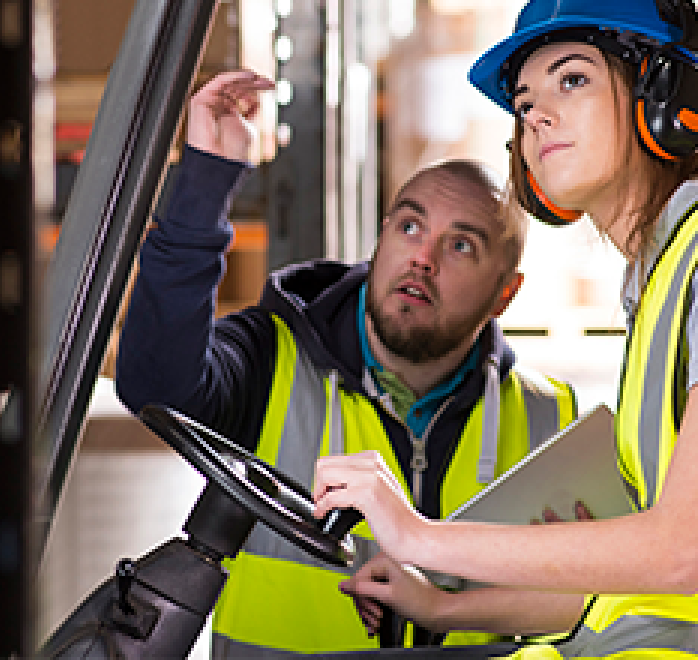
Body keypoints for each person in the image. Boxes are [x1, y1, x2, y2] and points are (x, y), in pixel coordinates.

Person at [313, 0, 698, 658]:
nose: (536, 116)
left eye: (571, 81)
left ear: (665, 98)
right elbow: (633, 576)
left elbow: (680, 553)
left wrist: (418, 533)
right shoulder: (662, 280)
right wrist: (444, 604)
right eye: (525, 101)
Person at [115, 69, 578, 657]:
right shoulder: (270, 358)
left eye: (461, 245)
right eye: (409, 226)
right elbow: (154, 385)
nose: (423, 258)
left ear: (503, 295)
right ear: (381, 239)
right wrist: (205, 179)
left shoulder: (548, 419)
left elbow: (585, 615)